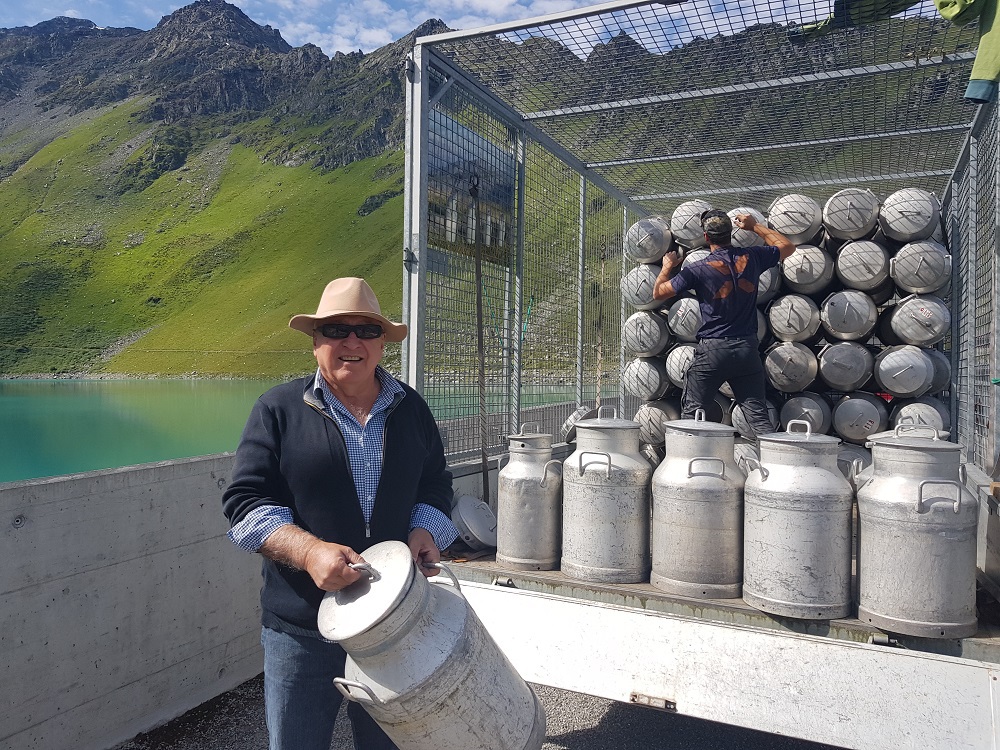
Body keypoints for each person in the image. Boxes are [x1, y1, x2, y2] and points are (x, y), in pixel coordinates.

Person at [222, 276, 459, 750]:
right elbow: (244, 505)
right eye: (335, 330)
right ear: (315, 343)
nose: (352, 341)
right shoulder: (277, 409)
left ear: (382, 345)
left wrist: (425, 528)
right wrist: (309, 552)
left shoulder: (411, 408)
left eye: (366, 331)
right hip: (301, 631)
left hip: (396, 625)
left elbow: (436, 483)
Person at [652, 210, 797, 438]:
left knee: (693, 415)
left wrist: (667, 266)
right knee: (759, 419)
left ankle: (689, 468)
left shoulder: (697, 269)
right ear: (731, 234)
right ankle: (777, 466)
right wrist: (755, 226)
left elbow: (659, 293)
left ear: (706, 237)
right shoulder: (751, 257)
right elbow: (787, 247)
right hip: (746, 349)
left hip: (713, 350)